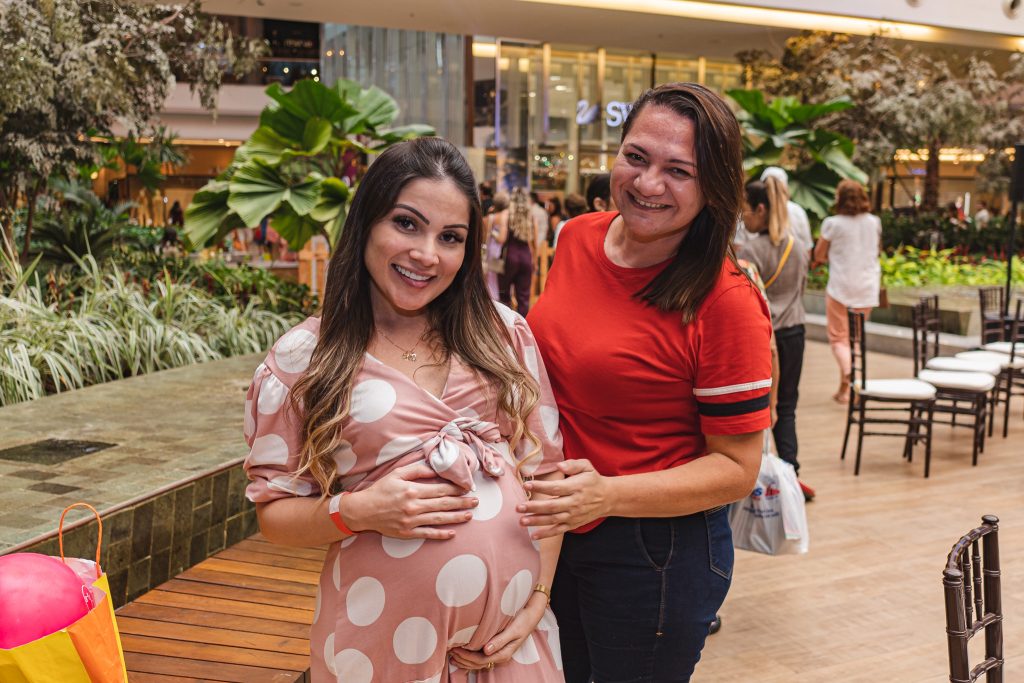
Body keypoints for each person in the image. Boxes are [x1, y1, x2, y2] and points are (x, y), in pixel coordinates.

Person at [243, 137, 566, 682]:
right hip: (378, 649)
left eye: (451, 238)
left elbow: (548, 480)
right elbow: (274, 514)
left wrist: (537, 599)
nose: (427, 255)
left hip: (512, 647)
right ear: (367, 222)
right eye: (407, 224)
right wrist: (360, 510)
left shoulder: (502, 334)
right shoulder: (304, 358)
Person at [525, 82, 772, 682]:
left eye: (678, 170)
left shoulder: (726, 300)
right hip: (555, 531)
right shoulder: (577, 237)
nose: (648, 183)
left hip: (653, 553)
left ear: (714, 187)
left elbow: (737, 469)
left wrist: (607, 493)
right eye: (636, 157)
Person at [738, 179, 814, 502]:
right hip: (795, 331)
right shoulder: (796, 246)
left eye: (745, 211)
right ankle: (791, 472)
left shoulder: (749, 251)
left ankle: (755, 477)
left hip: (765, 337)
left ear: (761, 209)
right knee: (788, 406)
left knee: (760, 408)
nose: (743, 219)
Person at [812, 179, 882, 403]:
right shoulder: (874, 222)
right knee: (856, 339)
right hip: (867, 288)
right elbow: (876, 250)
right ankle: (846, 389)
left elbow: (819, 255)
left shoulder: (833, 224)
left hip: (841, 287)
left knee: (839, 340)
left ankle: (851, 376)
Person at [497, 187, 538, 315]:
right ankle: (522, 328)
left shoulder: (506, 214)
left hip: (510, 256)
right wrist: (534, 261)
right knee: (524, 298)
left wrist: (493, 235)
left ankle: (506, 327)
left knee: (504, 294)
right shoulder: (531, 216)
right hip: (526, 256)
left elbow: (502, 238)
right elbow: (534, 242)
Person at [483, 191, 510, 299]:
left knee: (490, 280)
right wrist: (495, 234)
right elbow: (502, 238)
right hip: (498, 252)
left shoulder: (489, 218)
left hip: (490, 251)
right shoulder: (504, 217)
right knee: (496, 281)